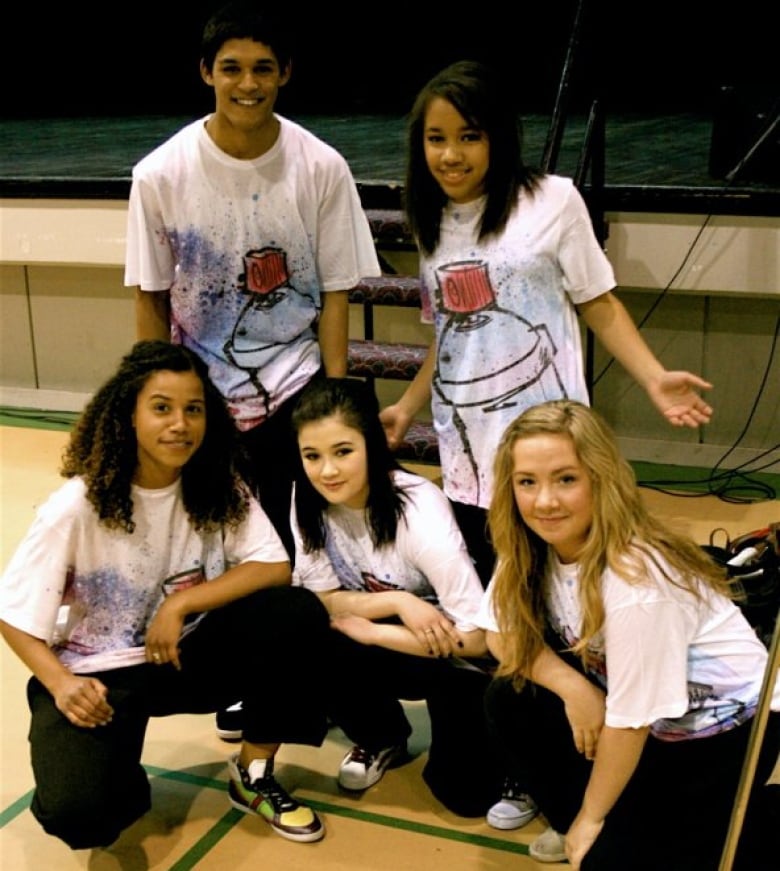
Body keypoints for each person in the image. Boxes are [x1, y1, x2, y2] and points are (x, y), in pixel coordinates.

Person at [124, 1, 381, 741]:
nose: (247, 83)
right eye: (231, 68)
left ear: (285, 75)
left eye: (263, 68)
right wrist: (158, 394)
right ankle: (248, 682)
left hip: (298, 384)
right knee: (226, 549)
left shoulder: (319, 166)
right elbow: (148, 296)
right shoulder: (161, 174)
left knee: (308, 550)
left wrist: (333, 398)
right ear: (206, 73)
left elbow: (336, 291)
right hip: (205, 396)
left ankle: (320, 691)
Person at [380, 59, 714, 589]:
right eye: (435, 138)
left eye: (469, 136)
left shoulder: (552, 200)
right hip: (468, 443)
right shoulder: (432, 223)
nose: (450, 155)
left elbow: (599, 303)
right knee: (496, 585)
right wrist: (406, 406)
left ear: (498, 138)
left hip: (547, 437)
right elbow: (448, 337)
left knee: (568, 580)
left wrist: (654, 378)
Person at [0, 341, 333, 849]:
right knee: (81, 814)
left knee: (296, 613)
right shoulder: (75, 507)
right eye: (162, 408)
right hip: (97, 677)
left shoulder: (216, 484)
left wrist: (182, 604)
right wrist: (60, 684)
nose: (180, 423)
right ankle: (111, 771)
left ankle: (253, 773)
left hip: (183, 654)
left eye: (193, 409)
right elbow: (14, 615)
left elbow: (273, 565)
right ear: (128, 415)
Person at [476, 399, 779, 869]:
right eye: (527, 482)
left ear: (600, 480)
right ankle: (594, 819)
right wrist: (574, 687)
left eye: (566, 479)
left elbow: (630, 723)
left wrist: (592, 820)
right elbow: (498, 634)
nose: (545, 501)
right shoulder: (531, 544)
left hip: (725, 730)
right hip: (638, 709)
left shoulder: (636, 580)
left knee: (609, 856)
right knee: (509, 696)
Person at [289, 376, 505, 818]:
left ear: (371, 445)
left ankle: (507, 751)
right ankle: (381, 736)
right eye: (312, 456)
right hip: (398, 632)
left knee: (467, 797)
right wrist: (397, 604)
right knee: (302, 627)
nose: (327, 470)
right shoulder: (308, 500)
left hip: (457, 656)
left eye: (343, 451)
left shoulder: (418, 510)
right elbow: (322, 599)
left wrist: (374, 632)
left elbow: (479, 640)